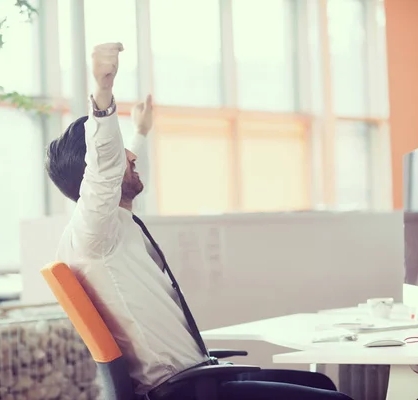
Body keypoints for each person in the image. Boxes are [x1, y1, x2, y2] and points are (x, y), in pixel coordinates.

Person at [46, 42, 352, 400]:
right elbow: (106, 166)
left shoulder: (108, 227)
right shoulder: (92, 234)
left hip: (198, 379)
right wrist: (102, 92)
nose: (129, 156)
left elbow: (116, 169)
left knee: (323, 386)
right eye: (119, 155)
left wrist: (141, 132)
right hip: (183, 391)